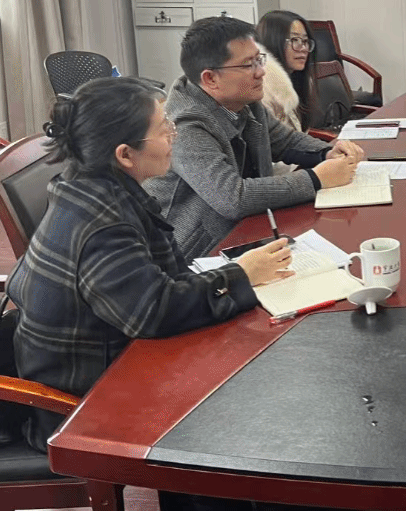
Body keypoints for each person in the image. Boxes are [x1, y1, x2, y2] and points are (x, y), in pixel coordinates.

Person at [7, 77, 295, 453]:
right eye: (164, 128)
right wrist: (242, 275)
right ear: (126, 155)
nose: (174, 134)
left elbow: (159, 283)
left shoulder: (89, 187)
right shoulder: (104, 223)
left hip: (114, 361)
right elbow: (154, 312)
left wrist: (236, 274)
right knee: (254, 403)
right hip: (82, 407)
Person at [144, 16, 365, 259]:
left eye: (259, 60)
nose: (261, 72)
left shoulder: (243, 101)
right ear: (210, 79)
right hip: (196, 254)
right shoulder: (184, 125)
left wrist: (327, 152)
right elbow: (232, 198)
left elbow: (285, 142)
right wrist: (316, 179)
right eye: (248, 65)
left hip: (249, 232)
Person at [256, 10, 317, 132]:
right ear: (272, 41)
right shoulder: (262, 90)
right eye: (294, 40)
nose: (303, 48)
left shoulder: (301, 79)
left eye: (305, 41)